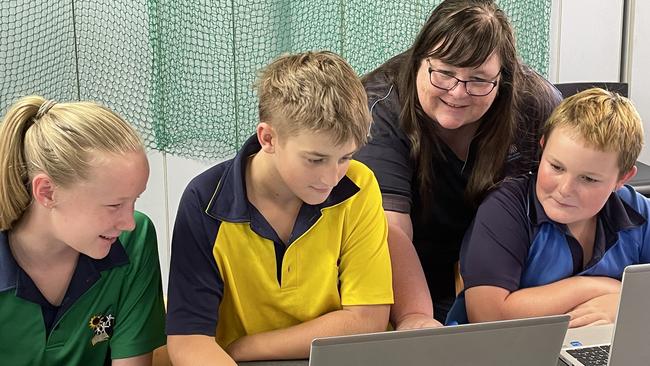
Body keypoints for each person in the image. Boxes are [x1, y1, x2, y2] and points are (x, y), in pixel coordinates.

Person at [165, 51, 393, 364]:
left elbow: (367, 320)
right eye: (315, 160)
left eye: (345, 157)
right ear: (268, 138)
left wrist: (242, 348)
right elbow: (189, 341)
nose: (331, 178)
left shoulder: (359, 185)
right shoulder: (204, 200)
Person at [354, 0, 562, 327]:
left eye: (478, 80)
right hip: (409, 274)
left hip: (504, 276)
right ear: (419, 59)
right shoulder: (380, 106)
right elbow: (390, 230)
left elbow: (569, 200)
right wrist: (416, 319)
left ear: (503, 79)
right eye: (444, 73)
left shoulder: (535, 104)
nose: (457, 92)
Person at [454, 88, 649, 328]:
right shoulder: (505, 209)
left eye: (588, 179)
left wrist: (617, 306)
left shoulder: (638, 211)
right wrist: (606, 289)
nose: (565, 189)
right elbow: (487, 313)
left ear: (623, 179)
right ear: (543, 146)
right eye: (556, 167)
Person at [0, 96, 166, 365]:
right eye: (114, 205)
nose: (129, 222)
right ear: (47, 192)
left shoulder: (134, 240)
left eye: (134, 200)